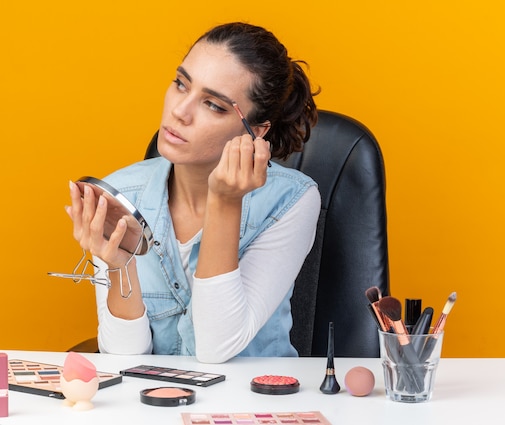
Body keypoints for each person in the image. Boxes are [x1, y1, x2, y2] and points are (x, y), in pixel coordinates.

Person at [66, 22, 321, 363]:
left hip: (255, 406)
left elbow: (217, 347)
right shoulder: (121, 194)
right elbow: (124, 357)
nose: (179, 112)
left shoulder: (292, 200)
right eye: (181, 84)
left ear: (256, 131)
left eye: (213, 105)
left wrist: (225, 201)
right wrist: (118, 264)